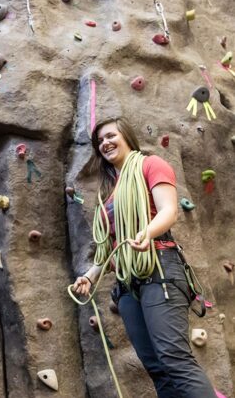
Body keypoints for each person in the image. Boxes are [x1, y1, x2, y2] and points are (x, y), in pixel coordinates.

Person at [73, 116, 217, 398]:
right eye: (99, 140)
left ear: (126, 136)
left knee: (174, 360)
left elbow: (168, 210)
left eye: (111, 136)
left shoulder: (151, 165)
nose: (105, 143)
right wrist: (90, 276)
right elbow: (108, 248)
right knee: (157, 368)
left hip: (159, 268)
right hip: (127, 284)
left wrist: (148, 232)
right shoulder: (108, 192)